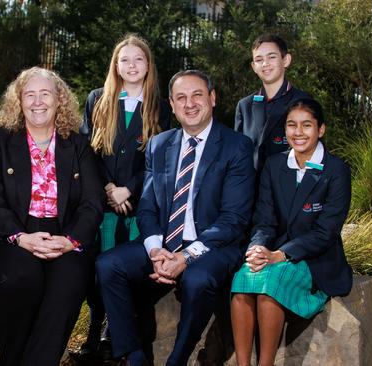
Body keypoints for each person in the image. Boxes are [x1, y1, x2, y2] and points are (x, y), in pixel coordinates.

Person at [97, 70, 255, 366]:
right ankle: (133, 357)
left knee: (197, 279)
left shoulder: (236, 147)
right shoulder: (159, 145)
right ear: (171, 104)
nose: (190, 104)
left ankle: (177, 360)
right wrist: (156, 250)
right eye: (181, 97)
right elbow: (146, 208)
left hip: (214, 245)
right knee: (108, 265)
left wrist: (185, 258)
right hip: (166, 242)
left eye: (197, 95)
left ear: (212, 97)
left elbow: (234, 219)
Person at [0, 67, 104, 366]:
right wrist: (21, 236)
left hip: (62, 234)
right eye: (30, 95)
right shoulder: (0, 140)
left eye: (45, 94)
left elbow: (93, 202)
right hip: (6, 235)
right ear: (19, 101)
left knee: (69, 279)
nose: (38, 102)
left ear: (59, 99)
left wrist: (70, 241)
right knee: (21, 276)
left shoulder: (77, 144)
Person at [230, 98, 352, 366]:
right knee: (242, 281)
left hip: (316, 257)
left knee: (268, 287)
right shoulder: (274, 165)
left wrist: (280, 255)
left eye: (306, 125)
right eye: (291, 125)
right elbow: (264, 219)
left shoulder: (337, 170)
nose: (298, 132)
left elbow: (326, 232)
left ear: (320, 130)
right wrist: (258, 248)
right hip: (274, 250)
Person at [79, 33, 172, 361]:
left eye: (138, 59)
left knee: (129, 273)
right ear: (115, 65)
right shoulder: (98, 99)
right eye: (125, 60)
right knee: (95, 272)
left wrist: (128, 188)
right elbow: (86, 151)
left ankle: (123, 340)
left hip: (138, 203)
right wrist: (107, 188)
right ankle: (93, 335)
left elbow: (159, 158)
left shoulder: (159, 106)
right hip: (103, 203)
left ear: (148, 65)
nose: (132, 66)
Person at [235, 34, 310, 173]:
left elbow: (313, 155)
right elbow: (238, 155)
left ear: (286, 60)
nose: (265, 63)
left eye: (272, 57)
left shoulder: (303, 102)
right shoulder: (245, 106)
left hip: (287, 188)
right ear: (253, 66)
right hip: (252, 190)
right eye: (259, 59)